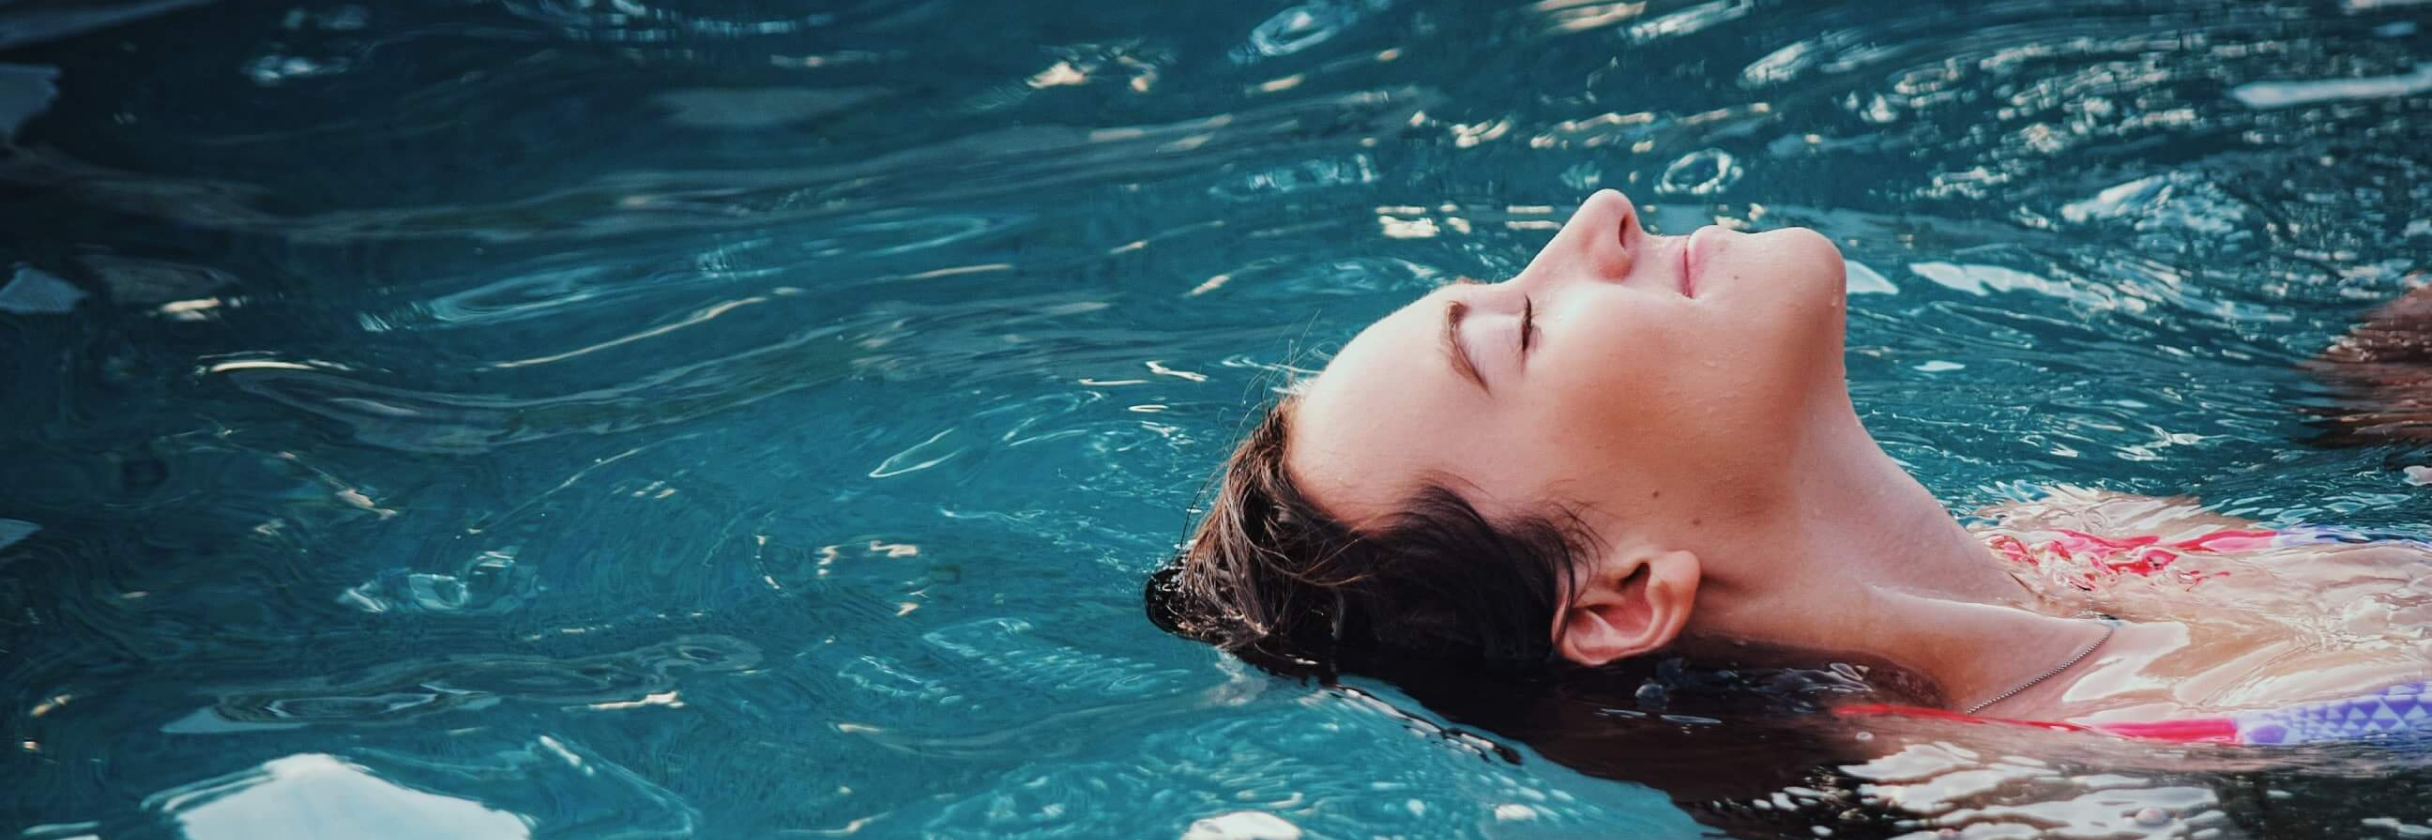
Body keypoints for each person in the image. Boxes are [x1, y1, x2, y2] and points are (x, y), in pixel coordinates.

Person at [1145, 189, 2428, 747]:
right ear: (1614, 601)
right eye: (1520, 332)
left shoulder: (2085, 534)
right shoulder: (2044, 785)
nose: (1599, 218)